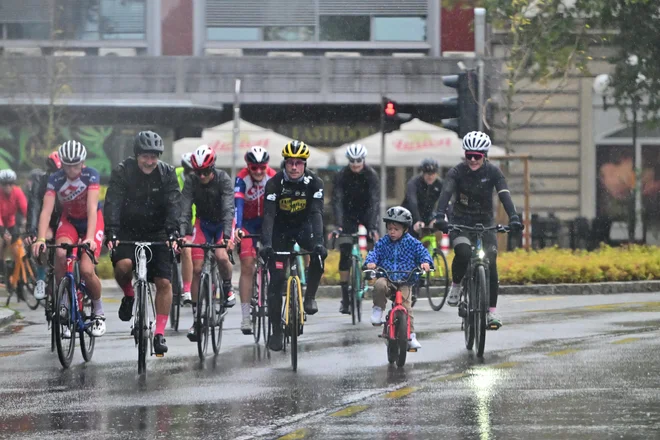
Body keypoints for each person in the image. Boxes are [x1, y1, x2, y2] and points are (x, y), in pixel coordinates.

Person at [433, 131, 523, 329]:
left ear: (485, 156)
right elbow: (446, 193)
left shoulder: (493, 172)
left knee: (490, 261)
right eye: (469, 156)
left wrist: (514, 217)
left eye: (477, 156)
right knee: (464, 252)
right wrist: (440, 216)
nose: (473, 160)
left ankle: (491, 313)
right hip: (461, 222)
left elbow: (504, 195)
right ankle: (456, 285)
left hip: (485, 222)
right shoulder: (456, 172)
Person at [104, 130, 181, 355]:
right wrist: (112, 232)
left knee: (164, 282)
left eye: (154, 156)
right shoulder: (122, 171)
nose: (150, 161)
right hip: (128, 230)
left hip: (158, 232)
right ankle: (129, 294)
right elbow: (113, 203)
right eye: (146, 156)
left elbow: (173, 204)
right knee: (124, 266)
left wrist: (173, 233)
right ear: (137, 154)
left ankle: (159, 334)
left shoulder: (167, 174)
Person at [31, 141, 106, 338]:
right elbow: (46, 211)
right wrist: (40, 238)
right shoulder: (55, 179)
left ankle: (98, 312)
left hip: (91, 220)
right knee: (61, 253)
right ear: (61, 163)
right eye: (67, 165)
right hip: (70, 220)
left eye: (76, 164)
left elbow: (91, 209)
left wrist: (89, 238)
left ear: (83, 163)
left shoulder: (91, 175)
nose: (72, 169)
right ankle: (64, 299)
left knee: (86, 270)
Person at [259, 140, 327, 352]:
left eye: (299, 163)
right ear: (285, 164)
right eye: (290, 163)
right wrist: (267, 244)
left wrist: (318, 242)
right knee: (276, 281)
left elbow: (316, 213)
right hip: (280, 230)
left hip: (304, 227)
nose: (295, 167)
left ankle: (310, 297)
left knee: (318, 256)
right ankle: (276, 331)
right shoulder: (274, 183)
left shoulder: (315, 183)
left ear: (304, 164)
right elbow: (268, 215)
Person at [179, 144, 235, 342]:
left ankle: (227, 286)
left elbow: (229, 209)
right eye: (198, 172)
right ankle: (196, 320)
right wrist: (181, 235)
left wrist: (228, 236)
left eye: (205, 172)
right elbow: (185, 209)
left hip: (222, 224)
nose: (201, 176)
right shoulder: (192, 181)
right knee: (196, 269)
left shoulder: (223, 179)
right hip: (203, 224)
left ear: (212, 169)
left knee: (220, 256)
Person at [365, 206, 431, 350]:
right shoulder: (383, 242)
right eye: (389, 228)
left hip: (406, 281)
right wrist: (371, 262)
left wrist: (425, 262)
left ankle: (411, 336)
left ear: (405, 229)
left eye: (396, 229)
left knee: (407, 309)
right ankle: (377, 309)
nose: (392, 232)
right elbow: (374, 253)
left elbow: (423, 253)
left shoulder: (412, 243)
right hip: (387, 278)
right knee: (379, 285)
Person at [330, 143, 380, 315]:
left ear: (363, 160)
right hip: (348, 214)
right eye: (352, 161)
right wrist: (338, 225)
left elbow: (374, 201)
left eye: (358, 161)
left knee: (374, 240)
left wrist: (372, 226)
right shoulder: (341, 175)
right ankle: (345, 297)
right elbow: (336, 200)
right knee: (345, 252)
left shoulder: (371, 175)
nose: (355, 164)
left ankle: (370, 270)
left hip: (367, 212)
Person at [233, 146, 276, 334]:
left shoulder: (273, 177)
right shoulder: (242, 178)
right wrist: (237, 228)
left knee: (277, 261)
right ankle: (245, 317)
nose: (258, 172)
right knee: (248, 265)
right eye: (254, 168)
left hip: (267, 222)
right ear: (248, 167)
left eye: (262, 167)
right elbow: (238, 206)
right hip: (248, 225)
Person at [26, 151, 62, 299]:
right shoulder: (41, 182)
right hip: (46, 219)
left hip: (65, 220)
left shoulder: (71, 180)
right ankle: (41, 278)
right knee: (42, 240)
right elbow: (34, 206)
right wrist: (31, 230)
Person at [402, 158, 444, 238]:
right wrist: (417, 220)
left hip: (427, 215)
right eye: (428, 174)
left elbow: (444, 202)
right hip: (410, 215)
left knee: (438, 229)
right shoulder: (414, 182)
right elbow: (412, 202)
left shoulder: (439, 184)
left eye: (433, 174)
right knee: (412, 235)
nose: (430, 177)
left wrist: (436, 218)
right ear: (423, 173)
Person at [0, 169, 27, 281]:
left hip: (11, 221)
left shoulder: (17, 192)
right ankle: (1, 267)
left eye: (10, 184)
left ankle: (16, 270)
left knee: (16, 245)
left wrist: (28, 223)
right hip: (1, 222)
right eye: (4, 184)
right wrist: (2, 232)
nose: (7, 186)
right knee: (1, 243)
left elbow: (25, 208)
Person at [176, 152, 195, 305]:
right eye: (189, 171)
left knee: (189, 251)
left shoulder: (200, 179)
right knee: (184, 250)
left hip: (195, 221)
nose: (193, 174)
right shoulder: (174, 175)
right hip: (176, 219)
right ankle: (185, 289)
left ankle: (188, 289)